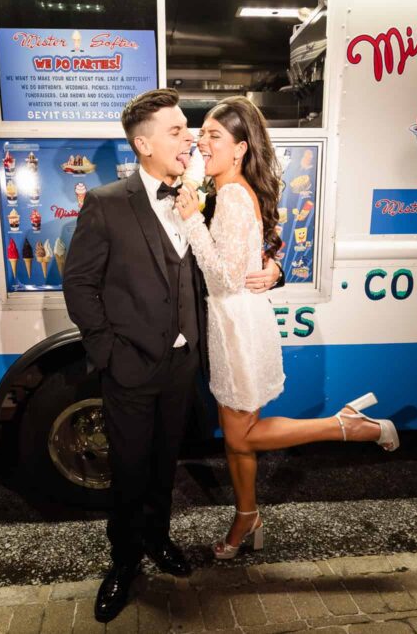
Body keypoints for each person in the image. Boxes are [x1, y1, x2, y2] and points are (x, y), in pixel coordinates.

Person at [62, 88, 282, 623]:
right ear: (143, 145)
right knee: (131, 471)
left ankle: (158, 541)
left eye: (190, 129)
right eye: (177, 131)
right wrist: (108, 352)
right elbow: (80, 284)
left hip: (184, 364)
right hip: (130, 365)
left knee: (164, 465)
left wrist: (277, 267)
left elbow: (248, 243)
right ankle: (122, 564)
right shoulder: (108, 203)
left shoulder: (202, 189)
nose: (189, 139)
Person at [173, 96, 400, 560]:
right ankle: (247, 519)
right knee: (238, 438)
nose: (202, 141)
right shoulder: (224, 189)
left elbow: (222, 276)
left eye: (214, 136)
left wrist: (192, 219)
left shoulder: (231, 195)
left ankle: (347, 426)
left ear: (239, 149)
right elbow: (263, 246)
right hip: (231, 321)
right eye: (202, 135)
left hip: (234, 322)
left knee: (241, 436)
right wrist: (272, 262)